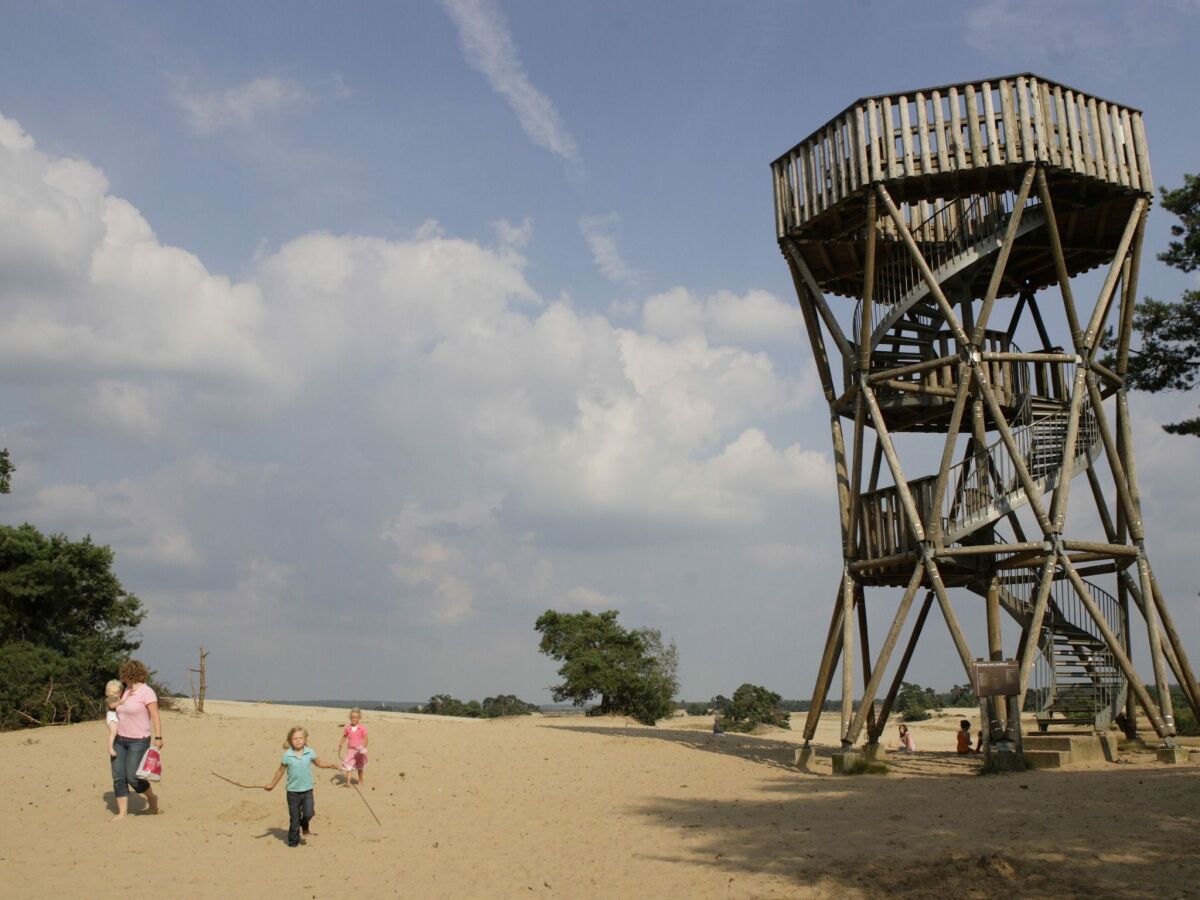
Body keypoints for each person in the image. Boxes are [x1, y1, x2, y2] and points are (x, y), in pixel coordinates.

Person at [265, 726, 339, 847]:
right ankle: (293, 842)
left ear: (305, 739)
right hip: (292, 792)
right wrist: (272, 784)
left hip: (307, 790)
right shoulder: (287, 755)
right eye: (295, 738)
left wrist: (332, 765)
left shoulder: (310, 752)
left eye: (300, 738)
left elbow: (319, 763)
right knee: (294, 819)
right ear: (290, 741)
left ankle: (305, 826)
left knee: (309, 813)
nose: (298, 740)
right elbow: (280, 771)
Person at [111, 659, 163, 819]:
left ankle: (152, 799)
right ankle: (122, 813)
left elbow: (155, 715)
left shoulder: (147, 692)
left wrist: (159, 737)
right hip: (119, 740)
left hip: (138, 740)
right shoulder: (126, 691)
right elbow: (112, 704)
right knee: (119, 776)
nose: (123, 678)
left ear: (130, 674)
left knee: (133, 777)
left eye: (125, 675)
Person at [337, 708, 369, 786]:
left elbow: (366, 739)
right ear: (350, 718)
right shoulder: (347, 728)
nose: (353, 719)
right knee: (348, 766)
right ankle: (348, 783)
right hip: (350, 750)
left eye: (355, 718)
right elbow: (344, 736)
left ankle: (360, 780)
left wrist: (364, 748)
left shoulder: (362, 728)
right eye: (352, 718)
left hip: (359, 751)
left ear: (359, 718)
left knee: (360, 767)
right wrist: (341, 743)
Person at [104, 679, 122, 759]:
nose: (116, 695)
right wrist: (120, 702)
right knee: (114, 732)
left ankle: (116, 746)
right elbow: (112, 706)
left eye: (118, 693)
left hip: (116, 717)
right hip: (111, 717)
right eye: (114, 693)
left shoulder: (118, 698)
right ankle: (110, 748)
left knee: (118, 732)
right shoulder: (110, 698)